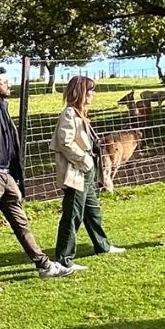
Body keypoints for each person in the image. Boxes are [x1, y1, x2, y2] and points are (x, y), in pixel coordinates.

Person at [0, 65, 72, 293]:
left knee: (21, 222)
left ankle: (43, 265)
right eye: (5, 81)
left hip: (6, 176)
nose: (9, 84)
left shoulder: (1, 107)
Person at [51, 75, 121, 267]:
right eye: (90, 90)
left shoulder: (80, 114)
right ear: (81, 92)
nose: (93, 94)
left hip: (86, 171)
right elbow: (65, 143)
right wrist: (85, 160)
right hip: (77, 171)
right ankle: (64, 259)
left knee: (92, 212)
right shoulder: (69, 114)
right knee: (72, 214)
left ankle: (103, 245)